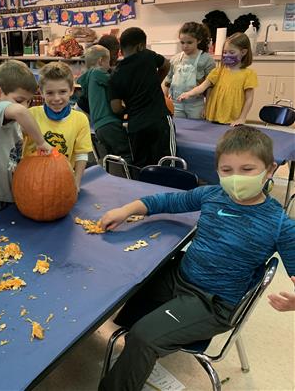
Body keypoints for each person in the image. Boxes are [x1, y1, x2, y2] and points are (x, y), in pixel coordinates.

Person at [98, 126, 295, 391]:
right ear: (217, 171)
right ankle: (138, 358)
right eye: (227, 170)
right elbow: (167, 200)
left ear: (270, 170)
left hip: (213, 303)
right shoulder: (212, 195)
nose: (236, 178)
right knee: (128, 282)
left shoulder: (280, 224)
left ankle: (137, 357)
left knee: (143, 337)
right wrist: (126, 209)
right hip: (181, 276)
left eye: (247, 170)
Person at [0, 60, 53, 223]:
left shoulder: (12, 121)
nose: (25, 106)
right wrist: (41, 142)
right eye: (20, 100)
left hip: (8, 198)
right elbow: (20, 112)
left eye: (29, 101)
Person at [109, 27, 174, 168]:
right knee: (166, 163)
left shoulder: (116, 74)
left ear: (121, 49)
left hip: (136, 125)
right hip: (159, 120)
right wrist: (157, 81)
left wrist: (126, 111)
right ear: (140, 46)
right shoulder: (148, 56)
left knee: (141, 167)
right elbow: (167, 65)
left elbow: (116, 107)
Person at [24, 61, 92, 190]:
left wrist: (76, 183)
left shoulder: (80, 120)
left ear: (71, 90)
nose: (56, 98)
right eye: (50, 93)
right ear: (41, 92)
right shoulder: (30, 115)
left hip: (63, 179)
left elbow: (81, 154)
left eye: (62, 92)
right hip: (31, 180)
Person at [178, 32, 257, 126]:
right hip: (213, 116)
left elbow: (249, 99)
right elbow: (202, 87)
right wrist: (189, 93)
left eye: (231, 52)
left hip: (232, 119)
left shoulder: (249, 74)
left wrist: (242, 118)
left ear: (243, 52)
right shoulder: (218, 71)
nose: (227, 55)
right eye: (224, 52)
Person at [77, 45, 131, 163]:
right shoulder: (97, 73)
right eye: (109, 62)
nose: (110, 66)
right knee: (127, 156)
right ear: (101, 61)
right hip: (109, 123)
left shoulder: (88, 78)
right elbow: (116, 82)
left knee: (112, 159)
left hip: (99, 127)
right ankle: (130, 181)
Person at [163, 22, 215, 119]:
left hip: (195, 105)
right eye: (182, 42)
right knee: (179, 128)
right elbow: (168, 81)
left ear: (198, 40)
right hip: (176, 103)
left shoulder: (206, 60)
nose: (185, 46)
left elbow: (210, 87)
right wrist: (164, 101)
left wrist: (207, 107)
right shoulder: (175, 59)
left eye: (189, 42)